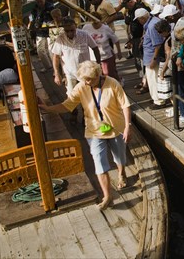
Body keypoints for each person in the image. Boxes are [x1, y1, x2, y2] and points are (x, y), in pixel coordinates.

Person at [39, 61, 131, 211]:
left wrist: (128, 126)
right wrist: (48, 109)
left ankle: (122, 173)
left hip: (116, 128)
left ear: (98, 75)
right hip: (94, 132)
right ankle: (107, 196)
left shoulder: (112, 84)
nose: (87, 82)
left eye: (90, 79)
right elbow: (67, 105)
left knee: (119, 156)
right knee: (99, 162)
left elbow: (125, 105)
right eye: (84, 79)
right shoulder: (81, 86)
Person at [51, 17, 101, 98]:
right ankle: (73, 110)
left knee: (88, 94)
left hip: (85, 72)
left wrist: (98, 64)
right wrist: (57, 73)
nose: (70, 33)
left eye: (72, 30)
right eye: (67, 31)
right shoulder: (60, 39)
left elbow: (95, 48)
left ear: (76, 27)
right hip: (70, 73)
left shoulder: (84, 35)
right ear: (64, 30)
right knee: (71, 96)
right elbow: (56, 56)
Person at [140, 6, 168, 109]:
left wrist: (154, 60)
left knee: (153, 79)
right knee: (153, 78)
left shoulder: (151, 26)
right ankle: (157, 99)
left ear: (142, 18)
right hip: (150, 55)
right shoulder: (152, 22)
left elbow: (157, 44)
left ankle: (158, 101)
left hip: (151, 57)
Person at [29, 0, 54, 73]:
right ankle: (48, 66)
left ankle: (55, 68)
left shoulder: (50, 7)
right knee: (40, 50)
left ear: (44, 0)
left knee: (51, 50)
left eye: (41, 1)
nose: (40, 3)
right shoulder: (34, 9)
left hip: (49, 30)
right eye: (38, 1)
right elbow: (33, 18)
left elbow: (52, 18)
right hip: (39, 31)